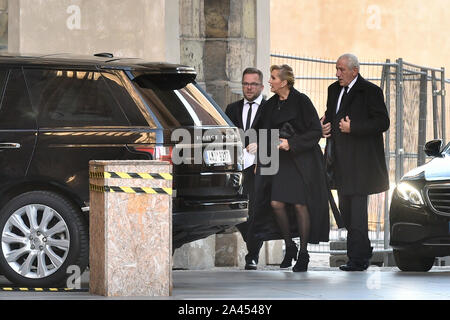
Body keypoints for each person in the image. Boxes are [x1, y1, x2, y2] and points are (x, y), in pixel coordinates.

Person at [256, 64, 330, 272]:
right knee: (276, 203)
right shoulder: (270, 105)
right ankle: (290, 246)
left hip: (302, 161)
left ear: (284, 82)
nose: (269, 81)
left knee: (299, 204)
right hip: (279, 161)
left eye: (273, 78)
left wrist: (292, 143)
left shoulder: (302, 101)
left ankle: (304, 254)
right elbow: (261, 131)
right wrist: (259, 162)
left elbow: (315, 131)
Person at [321, 53, 390, 271]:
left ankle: (357, 259)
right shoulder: (333, 90)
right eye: (337, 69)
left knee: (358, 212)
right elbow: (330, 114)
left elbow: (382, 122)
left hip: (361, 164)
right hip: (339, 162)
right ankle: (364, 249)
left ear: (355, 71)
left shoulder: (370, 91)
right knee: (346, 211)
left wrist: (354, 127)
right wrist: (324, 125)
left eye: (342, 69)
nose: (337, 73)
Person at [225, 67, 265, 270]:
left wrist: (262, 146)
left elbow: (277, 133)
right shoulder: (232, 108)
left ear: (262, 86)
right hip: (238, 167)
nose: (249, 87)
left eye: (253, 84)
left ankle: (253, 255)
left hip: (260, 167)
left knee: (256, 210)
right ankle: (253, 242)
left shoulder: (269, 107)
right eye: (246, 83)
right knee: (236, 209)